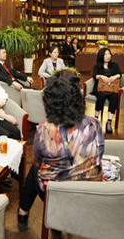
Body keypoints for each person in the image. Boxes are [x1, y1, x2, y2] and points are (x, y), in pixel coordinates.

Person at [17, 69, 104, 227]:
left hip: (56, 193)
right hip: (89, 191)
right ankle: (25, 212)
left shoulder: (45, 129)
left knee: (34, 170)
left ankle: (22, 213)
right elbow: (98, 154)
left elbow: (37, 161)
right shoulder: (94, 124)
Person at [91, 48, 122, 134]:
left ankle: (109, 122)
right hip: (101, 87)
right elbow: (94, 76)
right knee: (101, 96)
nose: (108, 56)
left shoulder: (115, 65)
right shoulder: (97, 66)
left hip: (112, 87)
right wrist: (101, 76)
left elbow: (120, 74)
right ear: (101, 56)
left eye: (109, 54)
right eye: (105, 54)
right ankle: (96, 119)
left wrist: (114, 76)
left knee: (114, 97)